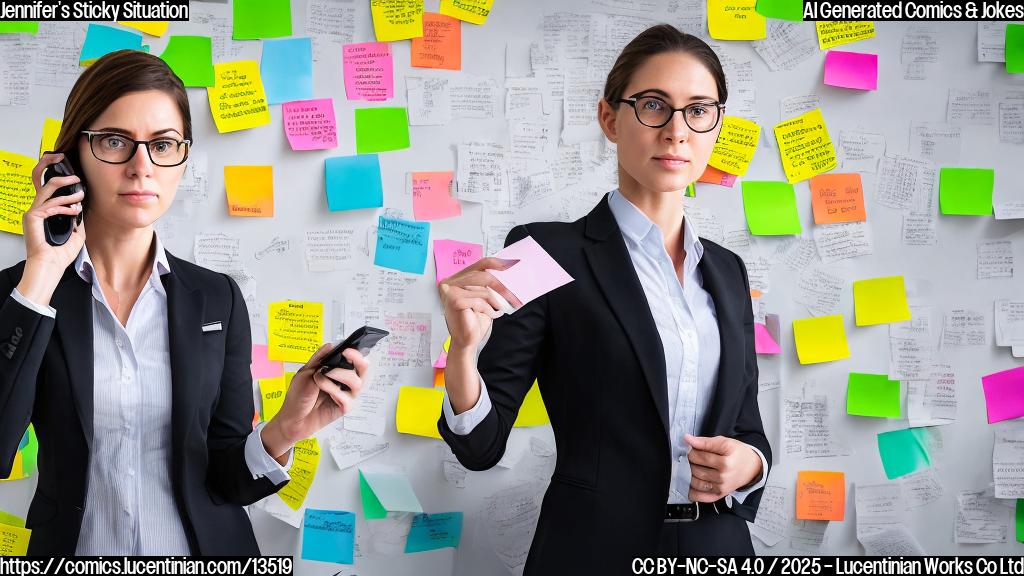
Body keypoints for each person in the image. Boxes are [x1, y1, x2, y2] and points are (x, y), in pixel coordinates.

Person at [0, 50, 369, 556]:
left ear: (182, 158)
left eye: (163, 144)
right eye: (114, 141)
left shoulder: (217, 299)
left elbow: (224, 480)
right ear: (69, 157)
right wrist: (42, 268)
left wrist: (285, 430)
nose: (141, 167)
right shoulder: (23, 296)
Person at [436, 25, 770, 571]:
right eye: (654, 106)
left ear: (716, 126)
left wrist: (749, 465)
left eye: (698, 110)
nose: (677, 132)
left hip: (720, 547)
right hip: (593, 551)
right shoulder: (540, 251)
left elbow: (749, 428)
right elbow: (481, 447)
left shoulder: (728, 271)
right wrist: (464, 353)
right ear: (610, 119)